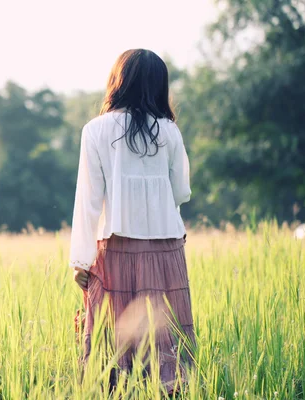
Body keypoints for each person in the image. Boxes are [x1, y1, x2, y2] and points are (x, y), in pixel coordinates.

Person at [69, 49, 196, 394]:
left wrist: (80, 260)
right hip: (166, 249)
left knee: (113, 338)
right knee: (165, 338)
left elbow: (88, 200)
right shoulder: (169, 131)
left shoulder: (95, 130)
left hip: (115, 249)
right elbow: (182, 192)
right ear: (158, 86)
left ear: (118, 82)